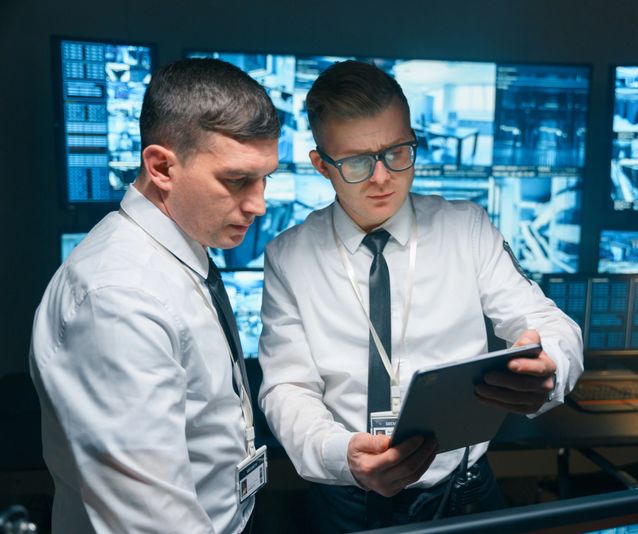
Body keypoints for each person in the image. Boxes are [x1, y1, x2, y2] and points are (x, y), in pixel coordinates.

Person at [258, 60, 584, 532]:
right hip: (346, 500)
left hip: (464, 493)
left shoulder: (466, 228)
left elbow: (552, 325)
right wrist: (341, 455)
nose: (382, 177)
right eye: (355, 162)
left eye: (397, 152)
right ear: (321, 165)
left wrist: (550, 368)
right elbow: (288, 387)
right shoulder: (288, 256)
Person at [29, 58, 280, 533]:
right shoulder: (117, 299)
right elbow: (153, 522)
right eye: (236, 180)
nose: (259, 204)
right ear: (162, 166)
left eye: (265, 177)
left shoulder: (183, 245)